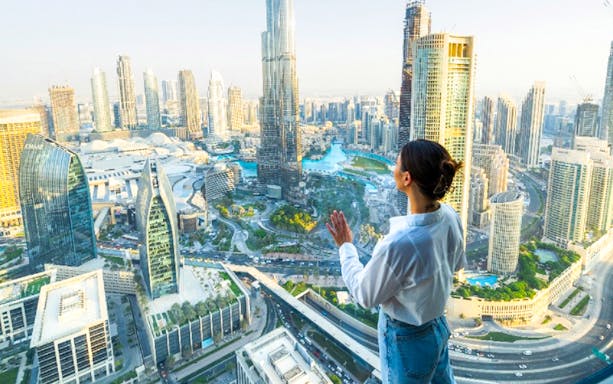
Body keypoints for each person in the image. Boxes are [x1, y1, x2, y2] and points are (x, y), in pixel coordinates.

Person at [326, 139, 466, 384]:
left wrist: (346, 246)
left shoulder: (400, 244)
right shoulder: (450, 217)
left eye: (397, 163)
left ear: (407, 178)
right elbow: (456, 265)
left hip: (406, 341)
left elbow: (364, 295)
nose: (393, 167)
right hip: (437, 328)